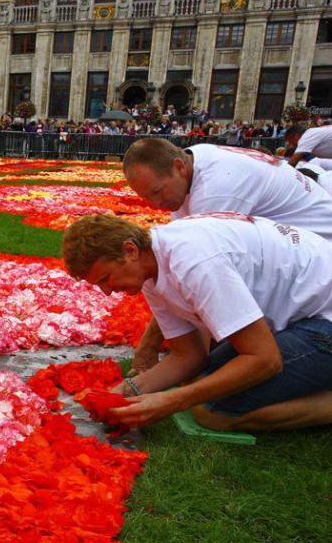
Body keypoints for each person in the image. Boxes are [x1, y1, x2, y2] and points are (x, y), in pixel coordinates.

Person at [62, 213, 332, 432]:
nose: (106, 291)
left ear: (129, 250)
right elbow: (188, 356)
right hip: (302, 315)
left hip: (323, 319)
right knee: (201, 382)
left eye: (105, 278)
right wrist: (124, 392)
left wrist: (174, 401)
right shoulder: (153, 267)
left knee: (213, 411)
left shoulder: (194, 262)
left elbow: (264, 359)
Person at [122, 137, 332, 375]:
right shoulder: (194, 165)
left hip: (320, 259)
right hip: (297, 256)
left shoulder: (215, 190)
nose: (155, 204)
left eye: (158, 192)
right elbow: (168, 259)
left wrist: (149, 348)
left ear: (179, 166)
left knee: (225, 380)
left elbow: (197, 271)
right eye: (146, 198)